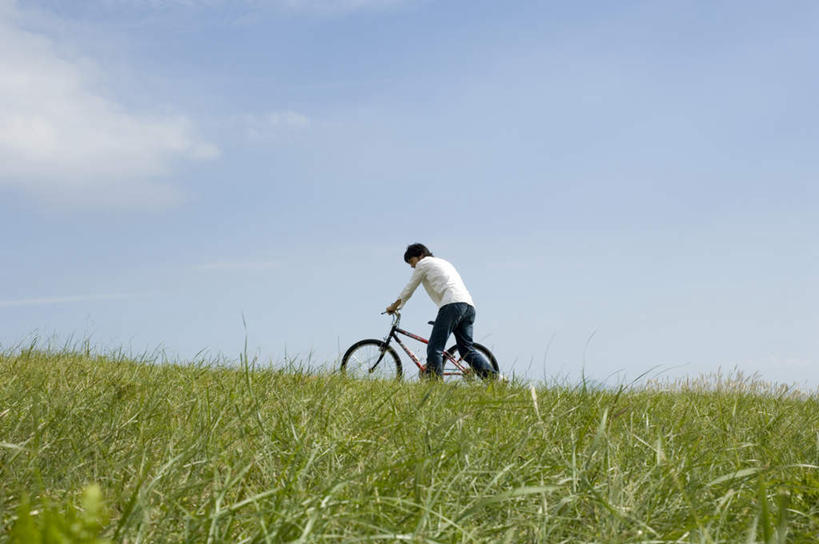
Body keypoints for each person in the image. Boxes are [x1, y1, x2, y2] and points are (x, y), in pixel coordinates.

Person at [385, 243, 498, 380]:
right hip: (468, 306)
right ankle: (495, 380)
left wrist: (394, 306)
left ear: (420, 255)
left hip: (452, 305)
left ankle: (434, 385)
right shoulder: (443, 262)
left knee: (434, 348)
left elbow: (409, 288)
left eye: (411, 261)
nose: (412, 266)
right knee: (466, 350)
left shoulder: (424, 263)